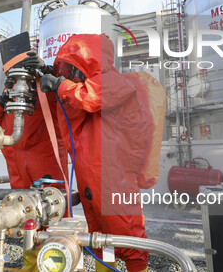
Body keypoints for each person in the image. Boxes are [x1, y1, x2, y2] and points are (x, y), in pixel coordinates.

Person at [32, 33, 156, 272]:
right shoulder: (81, 87)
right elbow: (72, 103)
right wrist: (48, 70)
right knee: (100, 236)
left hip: (114, 175)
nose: (70, 73)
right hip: (92, 175)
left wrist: (59, 83)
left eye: (72, 66)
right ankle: (105, 268)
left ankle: (137, 269)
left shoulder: (114, 82)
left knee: (128, 234)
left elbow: (88, 98)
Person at [0, 58, 68, 271]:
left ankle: (53, 265)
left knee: (52, 222)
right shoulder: (8, 100)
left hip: (47, 168)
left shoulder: (46, 97)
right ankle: (31, 266)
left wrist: (48, 74)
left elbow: (66, 102)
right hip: (19, 171)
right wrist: (2, 99)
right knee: (26, 221)